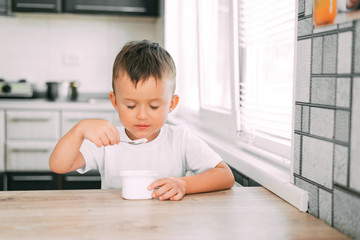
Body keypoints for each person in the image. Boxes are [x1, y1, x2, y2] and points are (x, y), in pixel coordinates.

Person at [49, 40, 234, 201]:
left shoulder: (180, 139)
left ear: (171, 104)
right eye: (131, 106)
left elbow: (225, 176)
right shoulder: (108, 140)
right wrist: (79, 130)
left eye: (154, 106)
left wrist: (184, 185)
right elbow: (59, 166)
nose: (142, 115)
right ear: (115, 101)